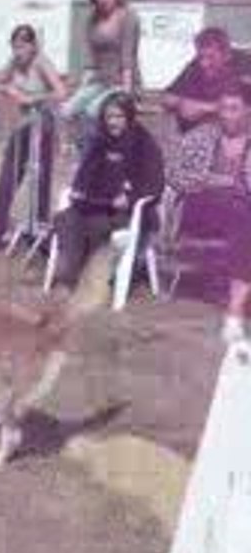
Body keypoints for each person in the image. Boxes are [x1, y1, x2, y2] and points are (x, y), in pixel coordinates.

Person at [0, 24, 67, 254]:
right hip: (23, 127)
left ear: (33, 46)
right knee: (6, 181)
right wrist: (11, 92)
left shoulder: (41, 63)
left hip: (43, 126)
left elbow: (61, 92)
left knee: (40, 183)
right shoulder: (13, 63)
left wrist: (34, 98)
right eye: (15, 46)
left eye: (23, 46)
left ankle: (38, 238)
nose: (18, 51)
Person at [51, 91, 164, 289]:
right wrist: (79, 192)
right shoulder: (98, 141)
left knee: (96, 225)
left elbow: (155, 185)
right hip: (95, 205)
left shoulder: (145, 144)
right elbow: (82, 179)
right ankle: (70, 277)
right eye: (109, 117)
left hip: (130, 213)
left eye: (119, 117)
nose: (113, 122)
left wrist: (131, 197)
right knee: (65, 218)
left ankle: (82, 278)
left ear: (129, 117)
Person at [167, 84, 251, 343]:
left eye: (234, 109)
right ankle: (236, 312)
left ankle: (234, 310)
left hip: (241, 213)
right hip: (201, 207)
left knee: (244, 221)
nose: (226, 114)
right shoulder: (202, 136)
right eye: (223, 108)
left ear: (248, 111)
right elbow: (173, 173)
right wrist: (212, 180)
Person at [60, 0, 141, 157]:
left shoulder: (128, 17)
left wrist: (128, 96)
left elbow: (128, 58)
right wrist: (80, 90)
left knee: (92, 112)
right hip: (99, 81)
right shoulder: (92, 18)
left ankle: (92, 159)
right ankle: (82, 155)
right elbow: (91, 60)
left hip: (122, 81)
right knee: (67, 110)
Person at [162, 27, 251, 134]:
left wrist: (207, 108)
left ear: (226, 55)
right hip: (198, 134)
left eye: (211, 57)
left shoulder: (244, 65)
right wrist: (182, 103)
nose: (204, 64)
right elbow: (167, 97)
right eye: (201, 57)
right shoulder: (195, 66)